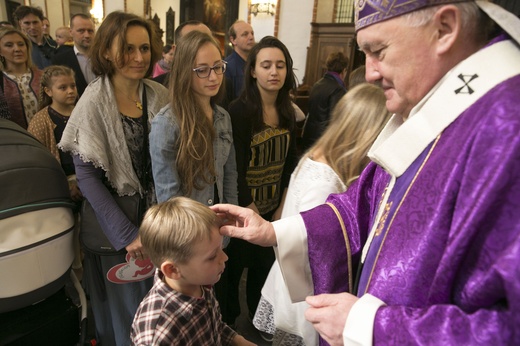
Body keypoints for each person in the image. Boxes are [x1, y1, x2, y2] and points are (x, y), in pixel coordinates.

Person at [212, 1, 520, 345]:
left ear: (444, 28)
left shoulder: (508, 125)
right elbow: (366, 203)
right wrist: (275, 231)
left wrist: (372, 326)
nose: (370, 72)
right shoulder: (437, 107)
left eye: (379, 51)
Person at [58, 11, 169, 345]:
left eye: (145, 48)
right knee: (126, 322)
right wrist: (127, 234)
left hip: (155, 224)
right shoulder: (93, 101)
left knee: (158, 312)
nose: (138, 57)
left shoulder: (159, 94)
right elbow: (87, 178)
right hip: (114, 232)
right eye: (128, 49)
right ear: (106, 51)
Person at [254, 83, 391, 345]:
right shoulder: (326, 183)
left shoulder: (317, 158)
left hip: (290, 276)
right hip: (305, 288)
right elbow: (312, 245)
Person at [219, 36, 298, 337]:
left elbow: (290, 165)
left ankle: (257, 322)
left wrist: (280, 209)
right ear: (253, 71)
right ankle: (226, 327)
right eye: (266, 65)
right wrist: (250, 209)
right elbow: (235, 168)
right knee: (232, 269)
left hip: (274, 211)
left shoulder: (288, 111)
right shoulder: (239, 112)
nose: (273, 72)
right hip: (242, 209)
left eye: (280, 65)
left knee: (264, 272)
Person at [131, 197, 255, 345]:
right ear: (172, 269)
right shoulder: (157, 334)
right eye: (212, 256)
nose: (225, 257)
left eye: (220, 249)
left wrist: (238, 341)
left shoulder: (199, 282)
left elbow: (213, 326)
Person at [150, 31, 238, 212]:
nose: (213, 77)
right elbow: (168, 198)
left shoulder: (223, 117)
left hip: (222, 226)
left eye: (217, 66)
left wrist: (232, 217)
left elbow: (229, 176)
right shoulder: (166, 123)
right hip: (187, 230)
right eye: (202, 70)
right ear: (184, 72)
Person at [27, 65, 82, 269]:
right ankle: (74, 273)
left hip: (87, 179)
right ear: (49, 91)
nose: (70, 91)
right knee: (69, 237)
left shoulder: (83, 113)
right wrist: (66, 185)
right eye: (62, 87)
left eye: (73, 86)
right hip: (59, 184)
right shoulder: (41, 121)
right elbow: (37, 161)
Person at [301, 51, 349, 152]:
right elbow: (335, 120)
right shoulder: (338, 89)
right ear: (344, 70)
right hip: (322, 140)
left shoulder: (317, 84)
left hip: (309, 135)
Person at [0, 27, 43, 129]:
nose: (17, 49)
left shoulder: (43, 75)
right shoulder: (1, 80)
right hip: (15, 139)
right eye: (9, 45)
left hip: (46, 136)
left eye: (21, 44)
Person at [152, 20, 212, 86]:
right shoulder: (158, 87)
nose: (204, 49)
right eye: (193, 43)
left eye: (208, 42)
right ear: (176, 49)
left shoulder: (221, 85)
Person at [52, 14, 96, 98]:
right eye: (81, 31)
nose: (87, 35)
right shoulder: (60, 60)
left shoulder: (104, 57)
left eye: (90, 31)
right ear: (71, 32)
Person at [224, 20, 255, 103]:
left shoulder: (257, 64)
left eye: (252, 33)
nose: (251, 37)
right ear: (233, 40)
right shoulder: (227, 67)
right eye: (245, 34)